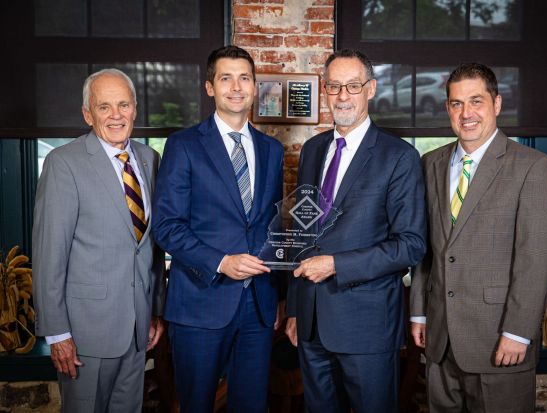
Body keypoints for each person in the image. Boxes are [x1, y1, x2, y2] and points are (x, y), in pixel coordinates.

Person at [410, 62, 547, 412]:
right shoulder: (430, 163)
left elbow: (537, 257)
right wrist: (419, 312)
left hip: (498, 339)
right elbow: (427, 248)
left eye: (476, 101)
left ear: (496, 104)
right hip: (440, 340)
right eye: (456, 103)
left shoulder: (531, 167)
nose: (466, 113)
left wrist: (518, 332)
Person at [285, 49, 427, 413]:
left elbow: (410, 246)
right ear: (325, 90)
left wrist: (336, 264)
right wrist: (296, 309)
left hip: (367, 325)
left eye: (352, 86)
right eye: (334, 86)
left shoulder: (398, 156)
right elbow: (303, 234)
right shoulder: (314, 150)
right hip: (312, 324)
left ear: (371, 89)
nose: (343, 95)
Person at [152, 45, 285, 413]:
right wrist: (220, 261)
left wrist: (279, 296)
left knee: (251, 405)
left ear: (256, 87)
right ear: (210, 87)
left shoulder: (273, 150)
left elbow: (274, 227)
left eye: (245, 78)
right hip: (199, 302)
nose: (236, 87)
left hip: (258, 305)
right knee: (196, 405)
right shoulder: (183, 146)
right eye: (226, 78)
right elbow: (166, 226)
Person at [33, 68, 166, 412]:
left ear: (135, 109)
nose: (116, 115)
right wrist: (57, 333)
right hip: (85, 332)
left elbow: (151, 247)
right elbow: (50, 254)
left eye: (123, 104)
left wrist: (154, 311)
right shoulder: (64, 164)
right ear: (87, 114)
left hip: (137, 328)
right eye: (104, 107)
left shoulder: (150, 159)